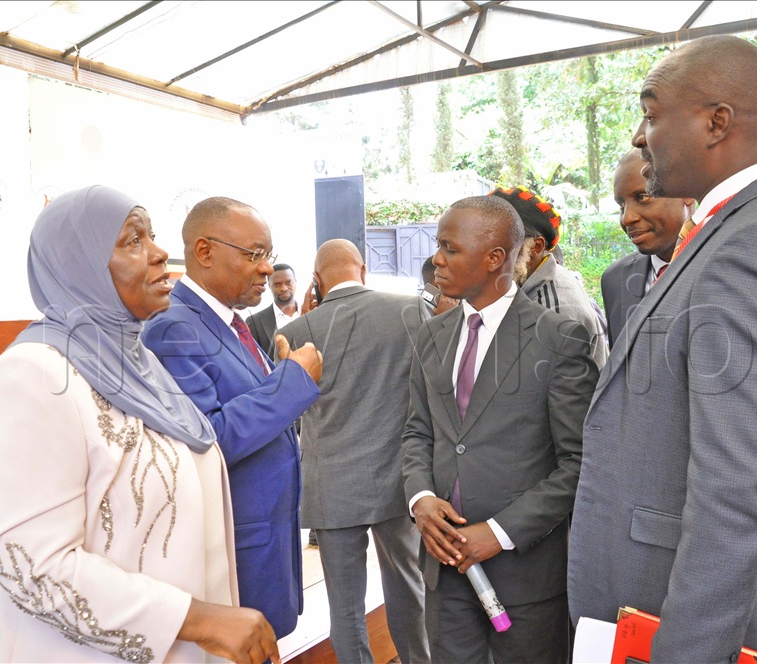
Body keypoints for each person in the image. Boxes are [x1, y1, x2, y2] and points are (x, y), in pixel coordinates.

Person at [568, 35, 757, 662]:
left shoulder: (755, 245)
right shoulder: (751, 224)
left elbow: (738, 500)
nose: (642, 136)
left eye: (651, 112)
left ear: (716, 122)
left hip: (744, 625)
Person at [0, 185, 279, 663]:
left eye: (152, 236)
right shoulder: (32, 376)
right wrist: (201, 619)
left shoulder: (140, 365)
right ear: (79, 264)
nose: (159, 253)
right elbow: (32, 568)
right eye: (133, 241)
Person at [402, 195, 599, 663]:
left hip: (523, 577)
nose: (437, 259)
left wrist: (499, 531)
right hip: (444, 570)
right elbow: (417, 433)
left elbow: (580, 462)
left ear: (494, 259)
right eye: (438, 245)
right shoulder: (432, 335)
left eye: (450, 248)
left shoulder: (558, 338)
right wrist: (420, 499)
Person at [141, 197, 323, 639]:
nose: (266, 269)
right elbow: (207, 438)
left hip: (263, 542)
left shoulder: (226, 322)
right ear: (204, 252)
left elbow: (242, 401)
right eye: (255, 254)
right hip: (234, 550)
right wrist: (293, 382)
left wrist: (280, 375)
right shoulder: (174, 326)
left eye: (269, 255)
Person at [276, 239, 431, 664]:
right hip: (395, 481)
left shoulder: (294, 331)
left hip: (332, 487)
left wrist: (307, 321)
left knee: (344, 608)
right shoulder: (411, 311)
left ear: (316, 280)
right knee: (408, 588)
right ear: (362, 270)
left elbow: (288, 409)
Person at [490, 186, 608, 370]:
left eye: (500, 242)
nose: (490, 254)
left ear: (535, 247)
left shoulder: (553, 309)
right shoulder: (527, 283)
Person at [601, 148, 693, 348]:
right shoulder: (615, 280)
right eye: (621, 206)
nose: (627, 218)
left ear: (687, 192)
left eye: (642, 197)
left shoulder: (724, 268)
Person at [247, 263, 299, 355]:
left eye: (288, 283)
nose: (283, 288)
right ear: (269, 286)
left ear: (295, 282)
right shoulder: (255, 322)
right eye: (277, 285)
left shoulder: (312, 312)